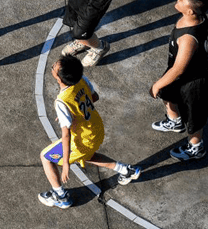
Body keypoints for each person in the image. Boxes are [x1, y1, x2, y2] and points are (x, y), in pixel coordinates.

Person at [38, 55, 141, 209]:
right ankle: (126, 170)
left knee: (46, 158)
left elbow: (66, 135)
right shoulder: (82, 80)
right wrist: (73, 114)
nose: (52, 65)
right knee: (87, 155)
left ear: (59, 78)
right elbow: (94, 97)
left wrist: (65, 163)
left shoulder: (62, 100)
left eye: (54, 67)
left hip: (81, 139)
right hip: (95, 128)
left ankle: (60, 196)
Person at [150, 0, 208, 161]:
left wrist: (157, 84)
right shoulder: (194, 17)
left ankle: (195, 147)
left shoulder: (188, 39)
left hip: (192, 80)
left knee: (194, 116)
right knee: (167, 93)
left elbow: (179, 69)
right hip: (178, 73)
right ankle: (175, 121)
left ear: (191, 11)